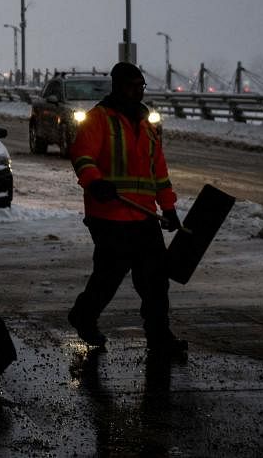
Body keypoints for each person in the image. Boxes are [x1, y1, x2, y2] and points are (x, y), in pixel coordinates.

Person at [67, 61, 187, 358]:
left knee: (155, 282)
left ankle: (159, 338)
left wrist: (168, 207)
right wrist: (95, 182)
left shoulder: (148, 125)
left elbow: (158, 170)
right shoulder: (98, 119)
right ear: (118, 86)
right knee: (108, 277)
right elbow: (81, 155)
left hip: (144, 216)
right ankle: (84, 315)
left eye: (141, 86)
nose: (138, 91)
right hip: (109, 215)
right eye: (133, 86)